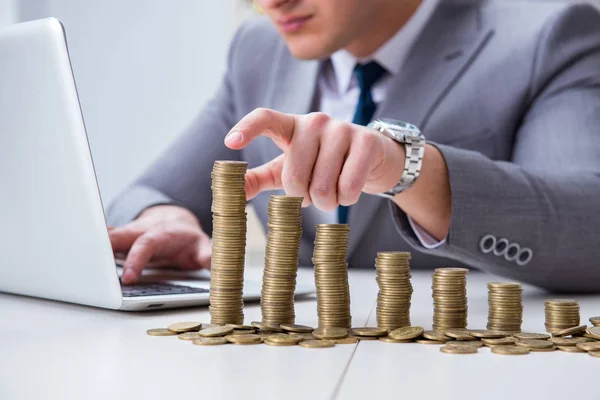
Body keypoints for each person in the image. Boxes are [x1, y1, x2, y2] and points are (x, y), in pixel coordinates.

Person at [107, 0, 600, 292]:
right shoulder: (258, 49)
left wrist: (406, 168)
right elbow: (149, 191)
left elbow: (589, 226)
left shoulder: (550, 32)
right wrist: (162, 218)